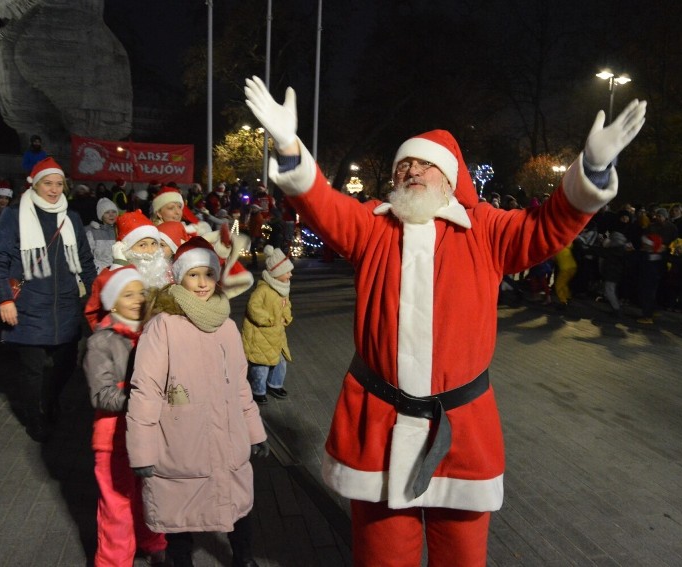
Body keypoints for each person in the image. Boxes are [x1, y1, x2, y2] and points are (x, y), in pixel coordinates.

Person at [244, 76, 646, 565]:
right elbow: (322, 203)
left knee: (461, 557)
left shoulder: (488, 230)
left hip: (461, 429)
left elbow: (549, 224)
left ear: (451, 179)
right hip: (378, 423)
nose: (412, 171)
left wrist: (593, 170)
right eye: (404, 165)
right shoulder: (371, 225)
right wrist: (288, 146)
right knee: (382, 557)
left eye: (425, 165)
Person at [126, 237, 269, 567]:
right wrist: (143, 451)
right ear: (178, 277)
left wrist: (256, 431)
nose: (202, 283)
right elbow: (145, 391)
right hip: (182, 443)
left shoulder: (227, 326)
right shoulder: (163, 326)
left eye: (208, 273)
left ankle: (243, 559)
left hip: (228, 440)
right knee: (178, 512)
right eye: (194, 275)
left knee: (238, 503)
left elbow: (240, 386)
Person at [0, 157, 97, 442]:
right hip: (29, 305)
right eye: (48, 183)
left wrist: (98, 295)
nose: (54, 189)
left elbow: (85, 260)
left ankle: (51, 399)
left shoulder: (70, 217)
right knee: (32, 370)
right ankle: (34, 416)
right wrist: (4, 300)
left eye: (59, 184)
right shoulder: (14, 215)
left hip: (66, 305)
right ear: (34, 184)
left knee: (66, 363)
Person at [83, 265, 168, 567]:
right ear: (111, 301)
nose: (137, 299)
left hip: (147, 437)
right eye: (127, 294)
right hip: (113, 440)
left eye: (141, 292)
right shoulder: (100, 341)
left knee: (150, 495)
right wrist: (142, 398)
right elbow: (101, 394)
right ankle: (115, 561)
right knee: (116, 506)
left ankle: (153, 543)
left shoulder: (154, 333)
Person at [242, 245, 294, 404]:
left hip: (276, 334)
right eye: (287, 272)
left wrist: (287, 316)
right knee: (261, 364)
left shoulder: (282, 289)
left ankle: (275, 384)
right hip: (261, 335)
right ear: (277, 274)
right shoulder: (263, 290)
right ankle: (258, 390)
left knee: (280, 360)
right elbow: (253, 308)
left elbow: (286, 304)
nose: (290, 275)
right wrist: (270, 319)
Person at [86, 198, 119, 272]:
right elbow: (87, 256)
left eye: (114, 212)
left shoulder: (119, 231)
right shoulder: (93, 232)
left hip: (118, 271)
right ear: (101, 215)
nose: (111, 215)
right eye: (107, 212)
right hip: (100, 272)